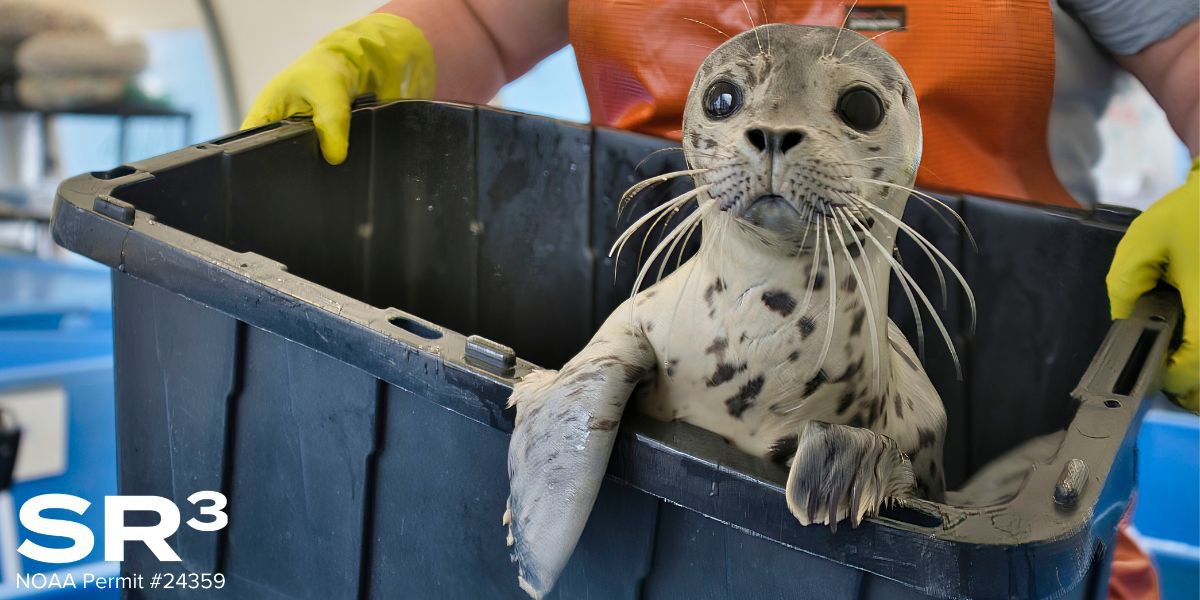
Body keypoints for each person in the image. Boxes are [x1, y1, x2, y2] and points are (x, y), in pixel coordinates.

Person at [242, 2, 1197, 597]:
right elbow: (485, 19)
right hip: (661, 343)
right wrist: (397, 45)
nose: (775, 136)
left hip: (1004, 320)